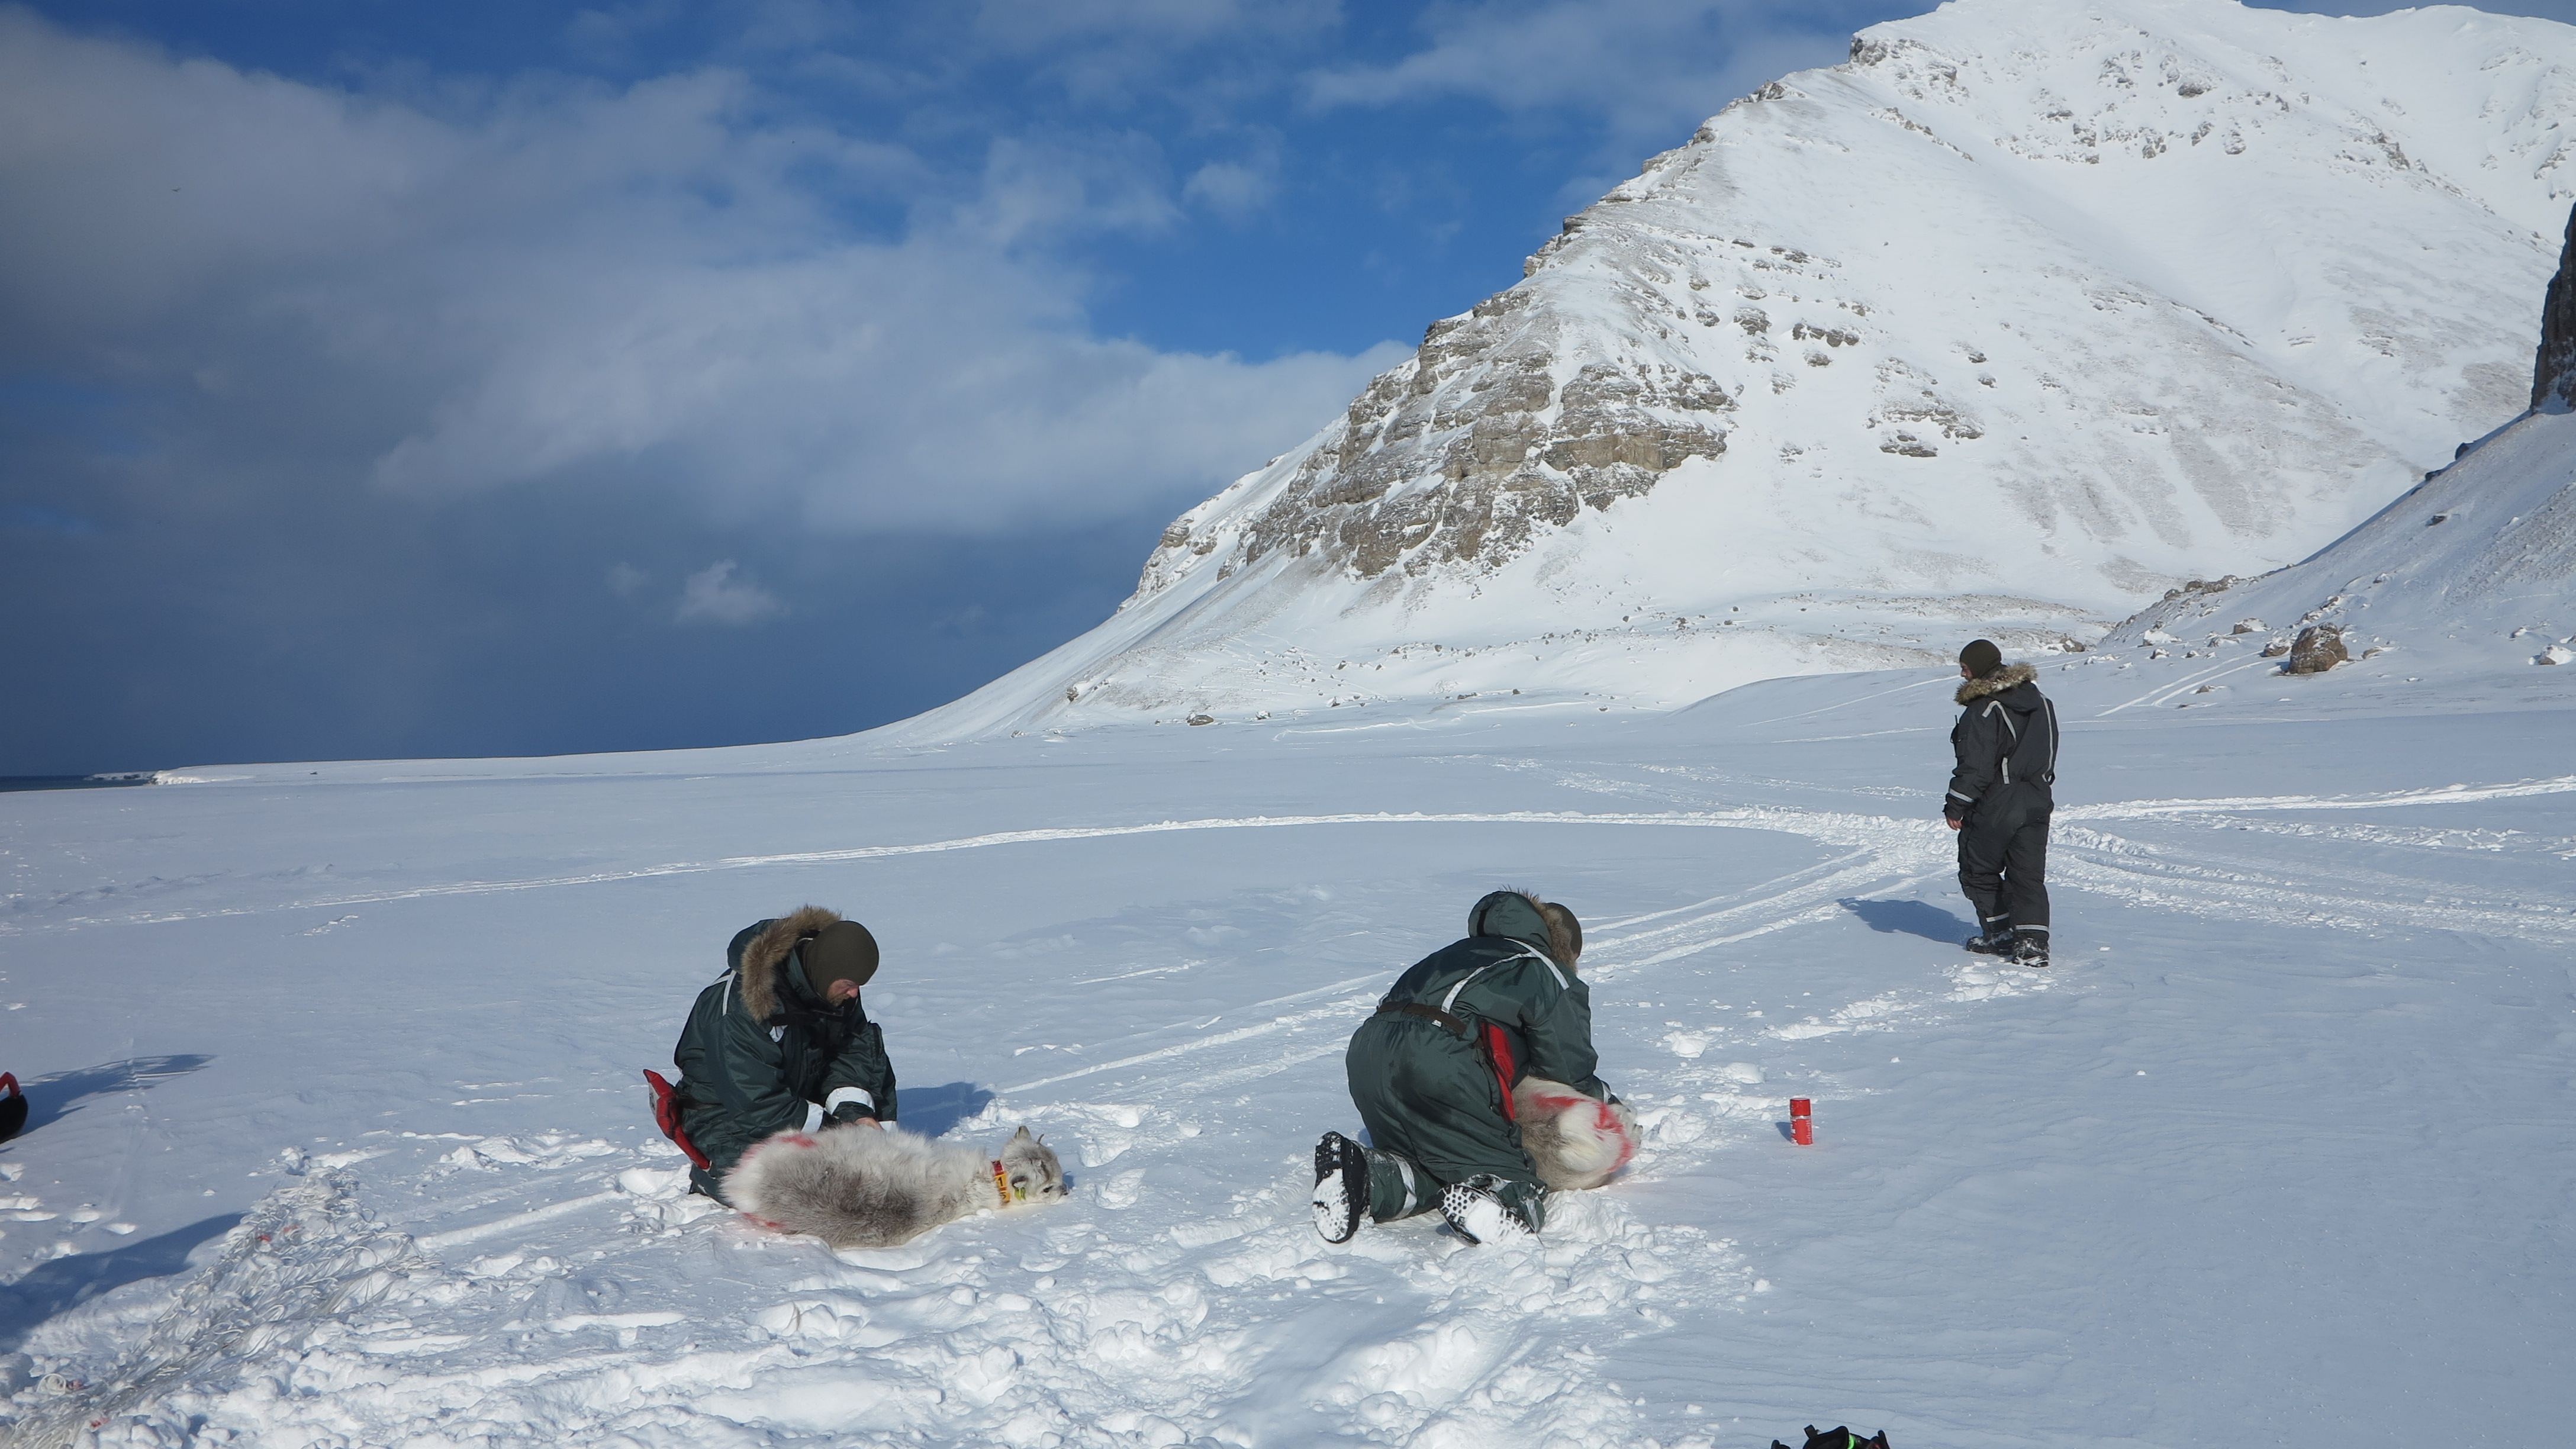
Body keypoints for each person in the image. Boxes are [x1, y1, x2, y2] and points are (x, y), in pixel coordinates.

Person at [1311, 890, 1612, 1245]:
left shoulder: (1455, 955)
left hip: (1368, 1057)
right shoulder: (1543, 968)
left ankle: (1364, 1177)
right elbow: (1566, 1066)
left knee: (1435, 1161)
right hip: (1440, 1057)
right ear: (1563, 948)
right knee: (1511, 1171)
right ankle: (1502, 1202)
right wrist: (1605, 1101)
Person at [666, 906, 899, 1202]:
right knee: (793, 1189)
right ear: (825, 969)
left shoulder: (834, 988)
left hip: (796, 1095)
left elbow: (854, 1051)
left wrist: (855, 1114)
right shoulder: (741, 1005)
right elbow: (756, 1102)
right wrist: (835, 1132)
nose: (854, 994)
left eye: (858, 986)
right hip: (727, 1116)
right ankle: (712, 1174)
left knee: (872, 1063)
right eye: (850, 985)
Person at [1944, 639, 2059, 967]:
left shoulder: (1984, 708)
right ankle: (2033, 944)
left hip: (1997, 801)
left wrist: (1957, 804)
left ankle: (2000, 934)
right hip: (2038, 797)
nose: (1962, 673)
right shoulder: (2042, 703)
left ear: (1980, 667)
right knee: (2028, 874)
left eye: (1965, 667)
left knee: (1977, 868)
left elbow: (1976, 766)